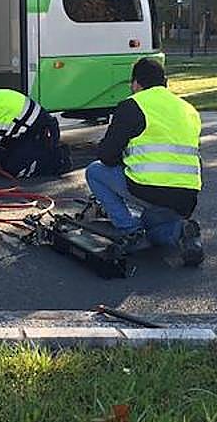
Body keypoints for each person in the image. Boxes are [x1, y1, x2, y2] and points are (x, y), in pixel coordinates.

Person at [85, 57, 205, 266]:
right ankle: (179, 231)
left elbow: (106, 156)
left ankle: (130, 230)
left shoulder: (133, 105)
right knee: (154, 227)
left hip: (148, 189)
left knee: (95, 171)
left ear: (136, 83)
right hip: (186, 196)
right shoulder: (189, 110)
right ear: (165, 82)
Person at [0, 88, 67, 179]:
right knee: (0, 154)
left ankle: (58, 158)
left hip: (42, 133)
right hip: (28, 131)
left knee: (14, 169)